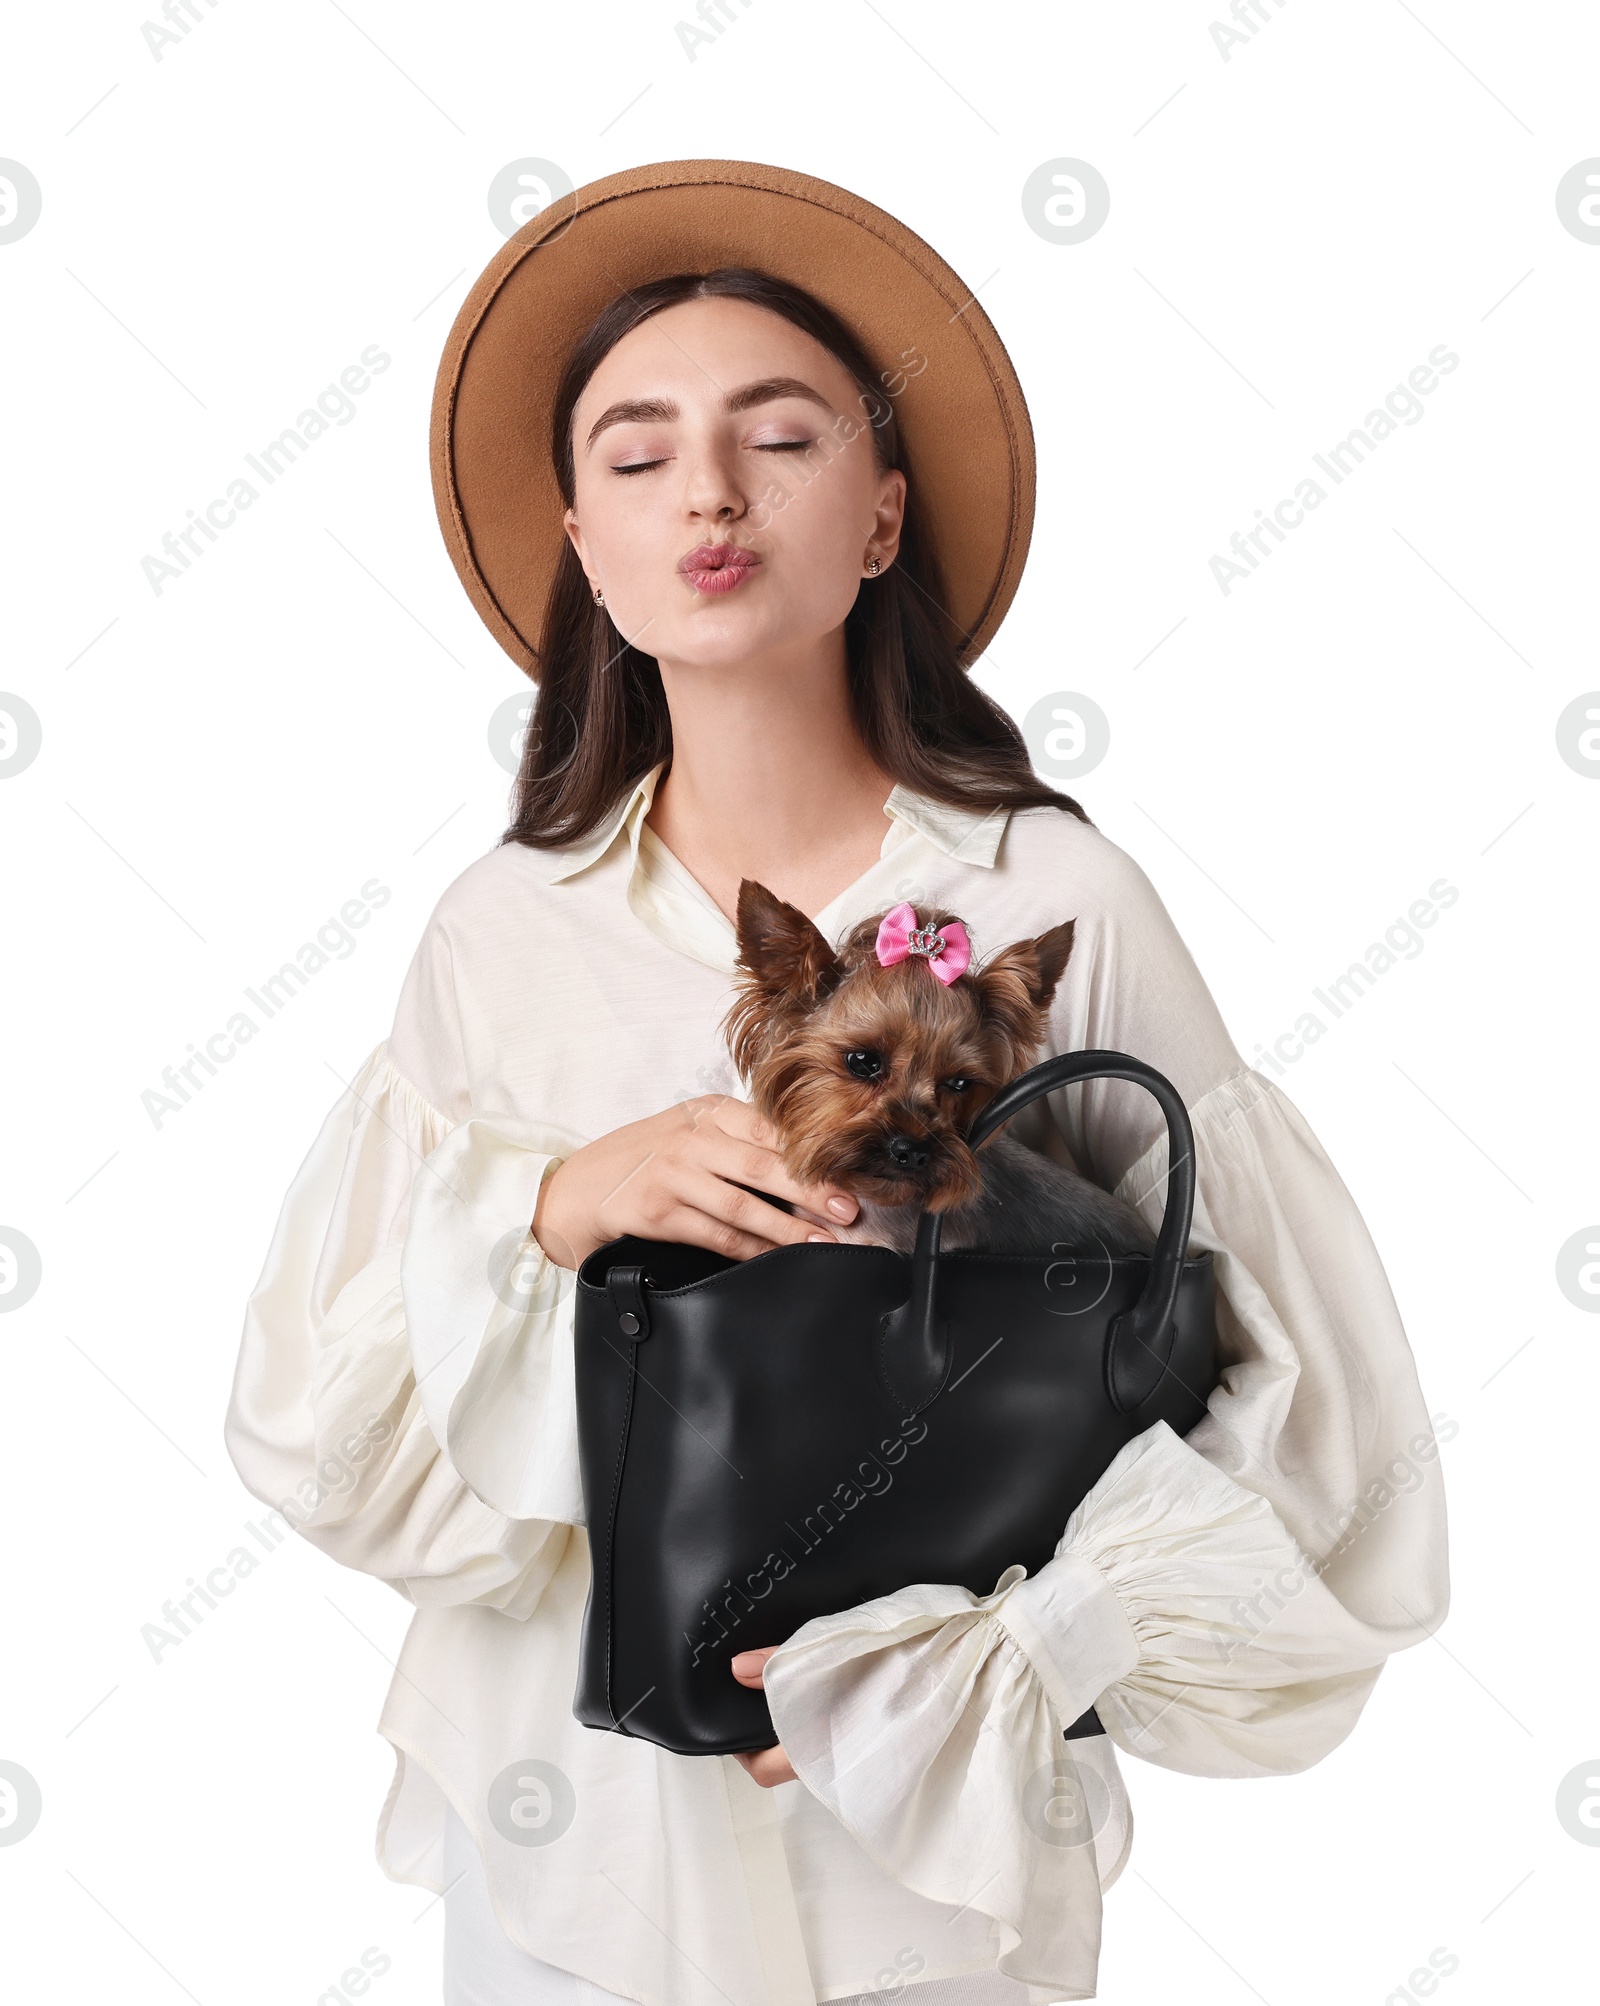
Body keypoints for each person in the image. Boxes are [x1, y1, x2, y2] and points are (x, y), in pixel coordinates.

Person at [225, 161, 1449, 2006]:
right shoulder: (504, 930)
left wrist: (1014, 1648)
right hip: (581, 1816)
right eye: (637, 458)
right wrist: (555, 1203)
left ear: (882, 516)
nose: (708, 492)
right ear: (581, 538)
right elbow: (320, 1422)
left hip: (925, 1837)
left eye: (775, 437)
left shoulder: (1053, 901)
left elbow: (1311, 1410)